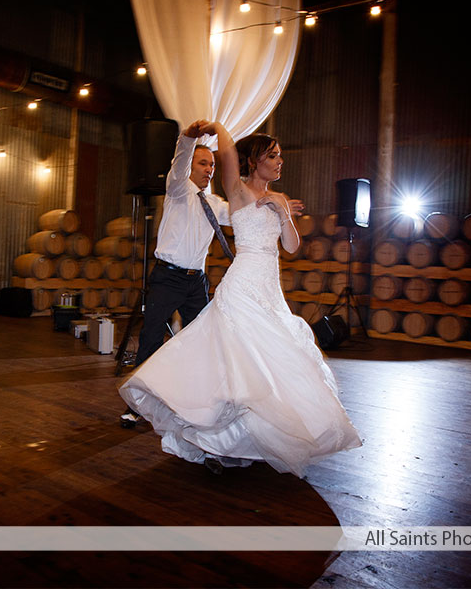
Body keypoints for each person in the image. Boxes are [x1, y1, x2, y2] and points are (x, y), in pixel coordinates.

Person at [119, 121, 361, 477]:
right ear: (254, 160)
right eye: (273, 155)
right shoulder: (186, 190)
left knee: (244, 360)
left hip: (250, 286)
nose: (280, 161)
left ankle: (240, 437)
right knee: (172, 338)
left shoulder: (225, 204)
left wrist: (280, 210)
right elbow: (224, 157)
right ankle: (153, 407)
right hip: (194, 278)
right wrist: (209, 130)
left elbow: (290, 245)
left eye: (211, 165)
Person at [120, 119, 303, 428]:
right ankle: (136, 406)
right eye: (203, 164)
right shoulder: (178, 190)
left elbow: (246, 215)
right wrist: (189, 138)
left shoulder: (217, 204)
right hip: (168, 277)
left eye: (212, 165)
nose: (209, 169)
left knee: (203, 342)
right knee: (151, 337)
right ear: (191, 167)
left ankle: (195, 398)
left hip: (196, 282)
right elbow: (180, 163)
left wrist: (279, 209)